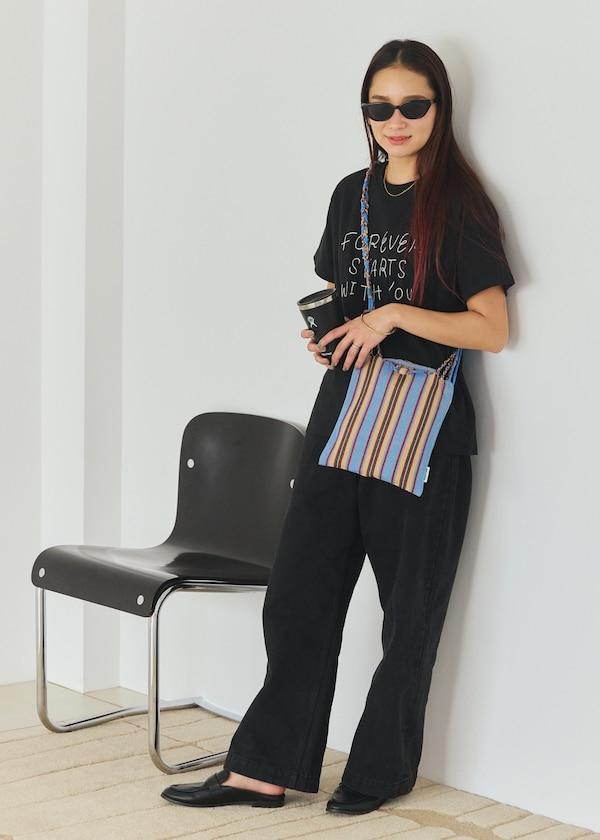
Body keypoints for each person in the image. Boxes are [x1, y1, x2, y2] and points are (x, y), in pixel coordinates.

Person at [161, 37, 515, 817]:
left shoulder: (460, 205)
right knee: (299, 591)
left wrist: (393, 316)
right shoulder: (350, 194)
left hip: (423, 428)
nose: (396, 120)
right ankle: (264, 768)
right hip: (343, 412)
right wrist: (332, 336)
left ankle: (380, 770)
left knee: (407, 608)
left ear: (440, 107)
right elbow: (345, 298)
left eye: (413, 105)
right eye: (380, 107)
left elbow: (491, 328)